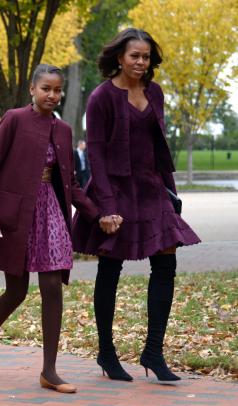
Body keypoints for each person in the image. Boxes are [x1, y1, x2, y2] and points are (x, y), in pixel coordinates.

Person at [72, 28, 200, 383]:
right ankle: (106, 352)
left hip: (152, 187)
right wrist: (107, 208)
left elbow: (160, 146)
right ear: (119, 57)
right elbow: (95, 153)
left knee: (166, 263)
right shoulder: (101, 97)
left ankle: (154, 352)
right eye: (135, 56)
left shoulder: (155, 93)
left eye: (146, 56)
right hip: (115, 189)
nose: (141, 62)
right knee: (110, 269)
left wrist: (171, 195)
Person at [0, 64, 100, 394]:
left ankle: (49, 371)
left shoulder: (64, 129)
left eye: (57, 90)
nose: (52, 95)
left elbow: (70, 182)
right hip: (16, 214)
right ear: (32, 89)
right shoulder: (14, 119)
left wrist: (97, 215)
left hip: (51, 210)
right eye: (46, 89)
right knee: (17, 290)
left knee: (52, 285)